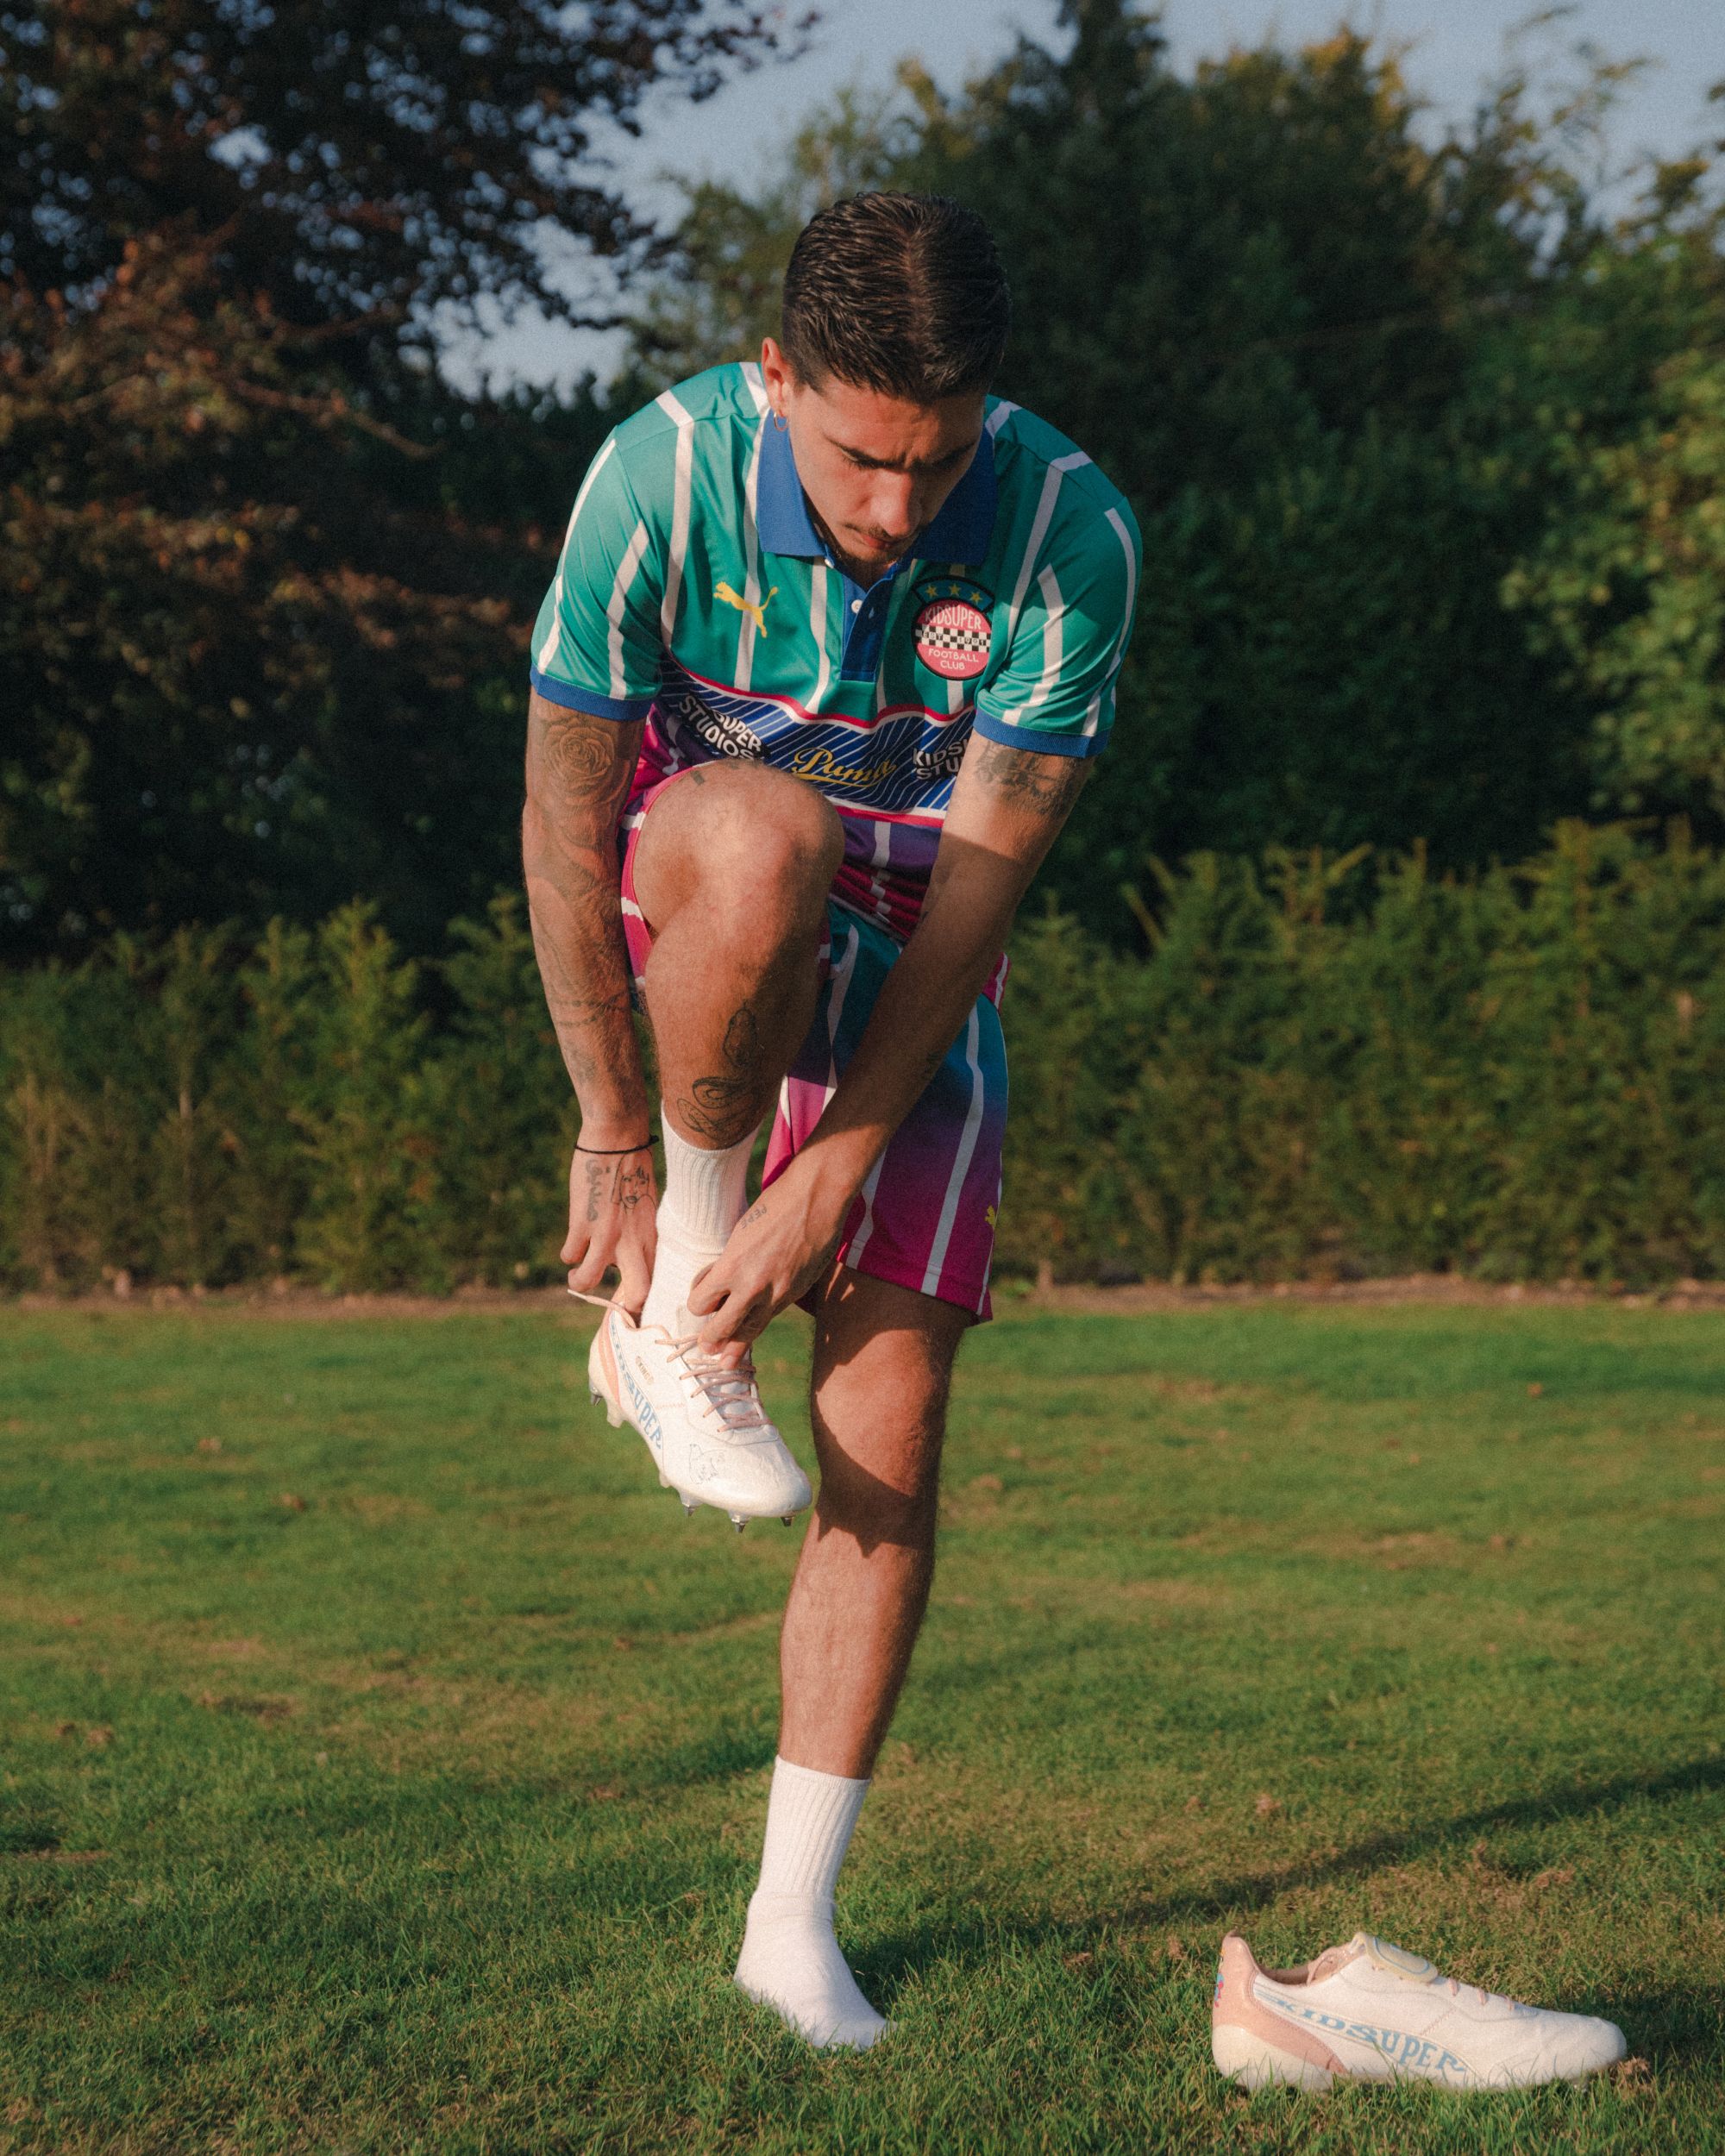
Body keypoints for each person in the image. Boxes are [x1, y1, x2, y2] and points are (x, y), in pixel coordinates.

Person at [522, 191, 1141, 2050]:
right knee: (769, 831)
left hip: (919, 949)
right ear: (776, 375)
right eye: (861, 457)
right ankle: (680, 1296)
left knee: (887, 1442)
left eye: (934, 460)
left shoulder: (1071, 537)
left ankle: (789, 1928)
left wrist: (844, 1169)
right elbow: (562, 822)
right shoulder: (656, 480)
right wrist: (616, 1136)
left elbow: (979, 896)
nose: (894, 504)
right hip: (714, 885)